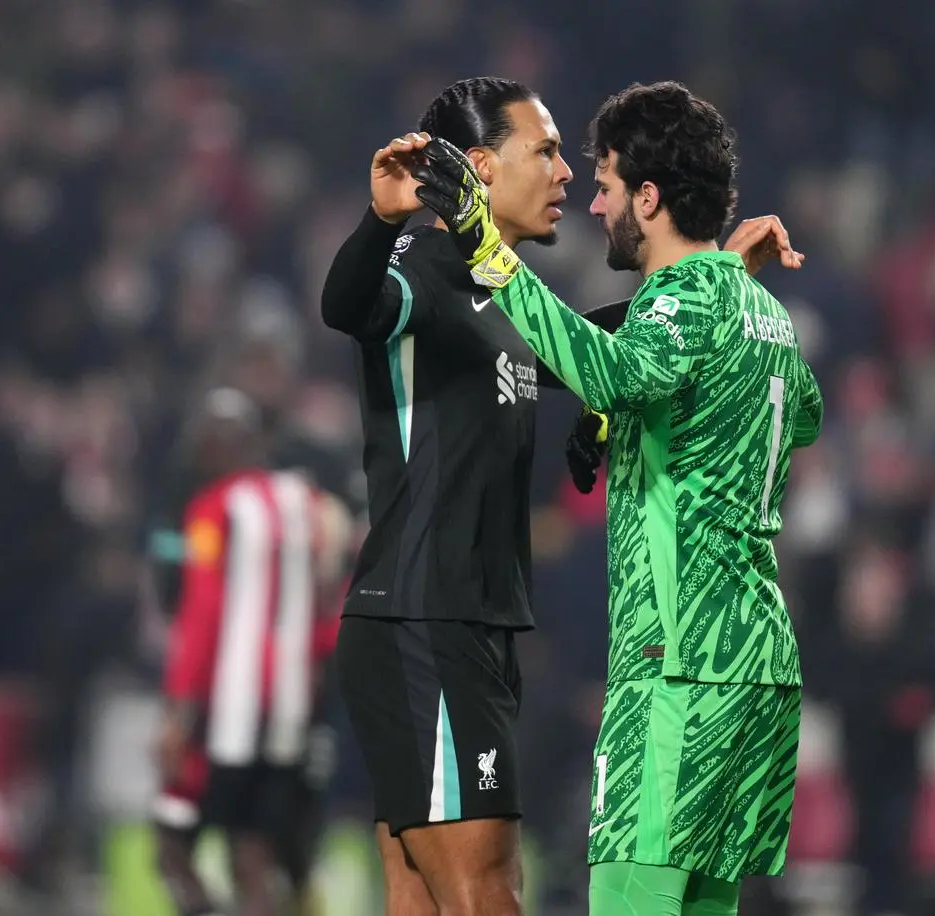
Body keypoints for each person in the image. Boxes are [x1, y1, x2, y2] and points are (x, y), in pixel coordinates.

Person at [319, 76, 801, 916]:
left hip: (479, 622)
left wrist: (719, 270)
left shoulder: (513, 302)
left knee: (421, 895)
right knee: (491, 892)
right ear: (477, 167)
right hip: (424, 617)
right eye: (543, 151)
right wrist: (382, 220)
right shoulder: (426, 270)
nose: (568, 174)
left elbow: (629, 343)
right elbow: (348, 305)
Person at [152, 387, 352, 916]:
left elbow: (200, 618)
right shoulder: (308, 507)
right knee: (253, 852)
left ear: (223, 444)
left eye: (203, 442)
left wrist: (177, 710)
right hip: (289, 714)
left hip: (224, 714)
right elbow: (331, 610)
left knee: (170, 845)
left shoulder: (211, 511)